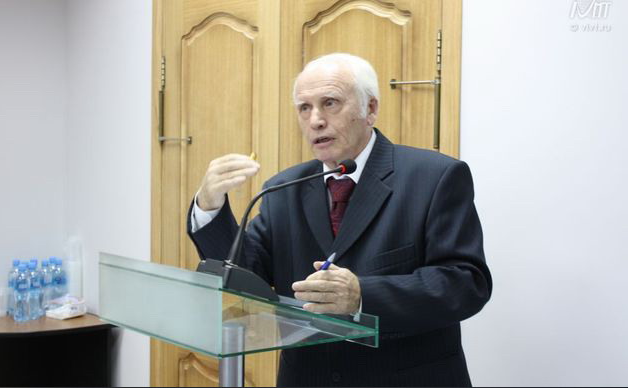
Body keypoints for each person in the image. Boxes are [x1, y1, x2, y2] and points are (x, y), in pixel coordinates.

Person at [188, 53, 492, 387]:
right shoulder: (282, 189)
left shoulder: (435, 177)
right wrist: (209, 207)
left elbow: (466, 283)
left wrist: (362, 296)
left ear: (370, 109)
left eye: (330, 103)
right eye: (304, 108)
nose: (316, 120)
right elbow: (246, 274)